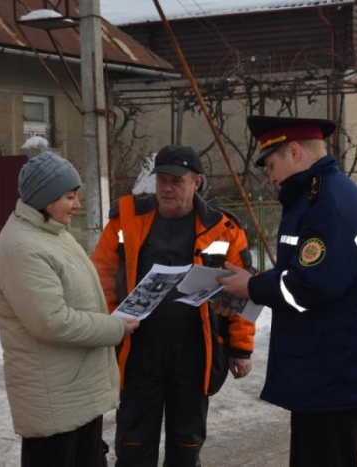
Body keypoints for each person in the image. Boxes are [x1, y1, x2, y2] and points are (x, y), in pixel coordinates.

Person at [216, 117, 357, 467]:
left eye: (271, 164)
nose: (270, 176)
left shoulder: (328, 203)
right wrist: (254, 282)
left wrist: (251, 286)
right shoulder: (316, 196)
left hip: (334, 374)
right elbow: (306, 272)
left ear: (294, 151)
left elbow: (311, 286)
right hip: (326, 370)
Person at [91, 145, 256, 467]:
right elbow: (102, 278)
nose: (167, 188)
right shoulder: (125, 220)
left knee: (187, 442)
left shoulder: (224, 229)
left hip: (194, 351)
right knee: (133, 441)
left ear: (197, 182)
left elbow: (241, 292)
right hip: (139, 349)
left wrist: (241, 349)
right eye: (162, 179)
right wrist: (109, 329)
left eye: (177, 181)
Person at [0, 152, 139, 467]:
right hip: (53, 404)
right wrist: (114, 327)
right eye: (70, 197)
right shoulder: (23, 248)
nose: (77, 205)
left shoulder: (53, 234)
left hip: (76, 396)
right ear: (45, 199)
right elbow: (51, 321)